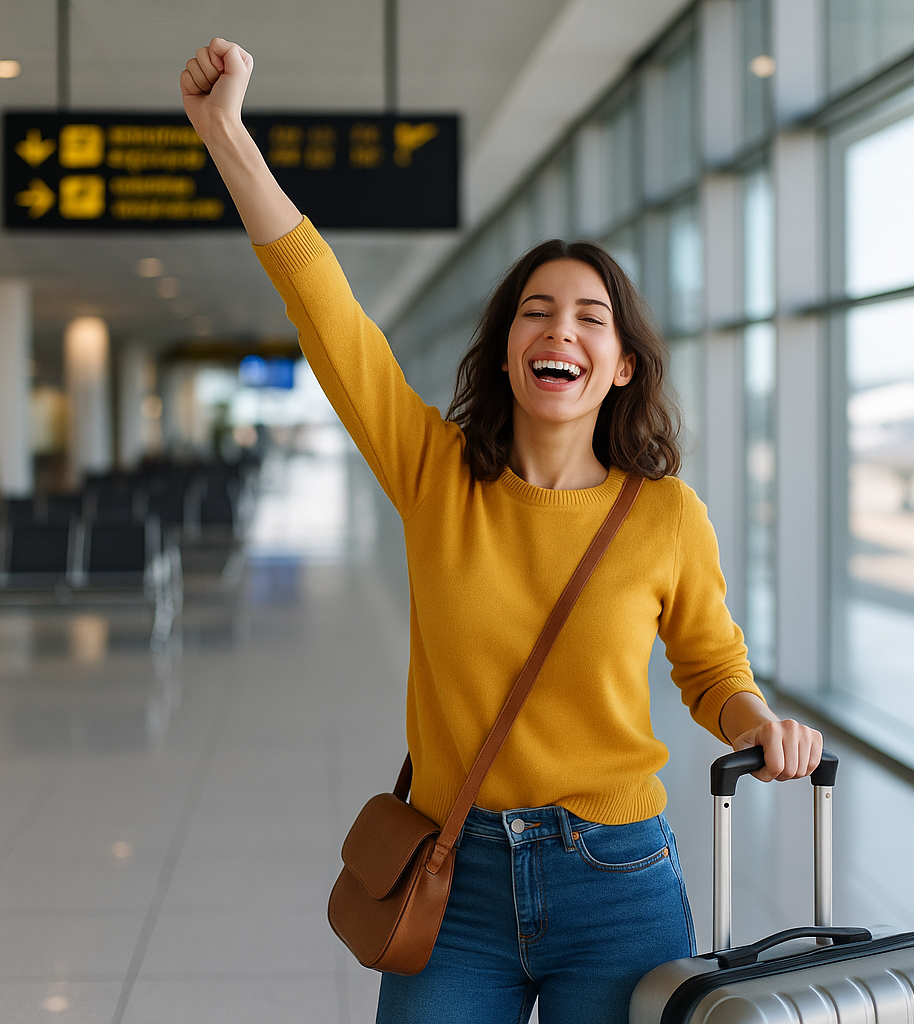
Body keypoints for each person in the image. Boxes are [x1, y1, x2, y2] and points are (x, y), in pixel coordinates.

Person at [181, 38, 823, 1024]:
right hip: (453, 870)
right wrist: (226, 136)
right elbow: (328, 313)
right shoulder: (437, 474)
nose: (559, 328)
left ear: (620, 367)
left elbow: (708, 669)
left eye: (588, 317)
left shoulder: (664, 513)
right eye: (535, 311)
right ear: (509, 349)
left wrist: (758, 725)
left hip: (617, 881)